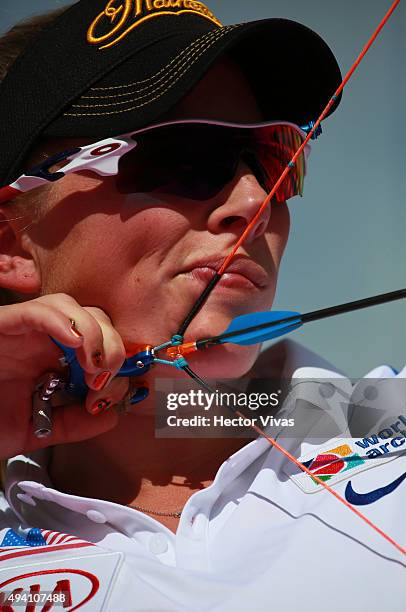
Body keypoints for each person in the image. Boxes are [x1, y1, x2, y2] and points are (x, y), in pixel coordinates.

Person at [0, 2, 404, 610]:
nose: (254, 202)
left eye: (273, 161)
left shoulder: (387, 420)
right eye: (181, 158)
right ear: (12, 243)